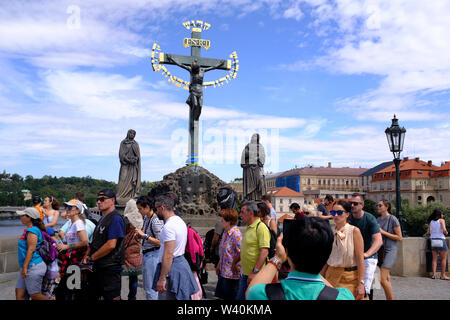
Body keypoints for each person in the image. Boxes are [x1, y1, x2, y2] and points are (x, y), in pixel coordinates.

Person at [246, 217, 354, 300]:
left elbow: (250, 291)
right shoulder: (343, 296)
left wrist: (277, 258)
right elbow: (331, 291)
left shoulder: (264, 294)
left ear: (287, 252)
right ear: (328, 254)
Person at [152, 193, 199, 300]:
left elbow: (168, 255)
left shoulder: (169, 227)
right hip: (181, 264)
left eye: (156, 209)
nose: (156, 212)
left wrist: (162, 278)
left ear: (162, 208)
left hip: (172, 269)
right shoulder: (179, 221)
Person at [82, 189, 126, 300]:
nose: (99, 202)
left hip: (110, 267)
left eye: (102, 199)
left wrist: (92, 257)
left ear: (112, 200)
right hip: (99, 266)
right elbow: (96, 242)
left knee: (111, 297)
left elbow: (111, 244)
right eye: (97, 199)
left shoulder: (115, 218)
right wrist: (87, 256)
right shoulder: (102, 219)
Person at [321, 200, 365, 300]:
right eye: (333, 212)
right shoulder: (330, 232)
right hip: (330, 277)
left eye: (340, 212)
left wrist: (361, 283)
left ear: (347, 214)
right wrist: (320, 276)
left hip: (349, 278)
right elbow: (327, 259)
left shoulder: (354, 231)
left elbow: (360, 259)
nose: (336, 215)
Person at [233, 201, 270, 300]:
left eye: (242, 212)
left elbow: (264, 251)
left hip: (256, 275)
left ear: (251, 213)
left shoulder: (261, 228)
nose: (240, 215)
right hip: (245, 274)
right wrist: (234, 262)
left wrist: (254, 272)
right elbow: (245, 249)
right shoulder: (249, 227)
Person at [348, 194, 382, 299]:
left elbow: (379, 240)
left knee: (364, 289)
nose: (352, 205)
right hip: (353, 257)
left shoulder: (369, 218)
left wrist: (367, 254)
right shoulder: (347, 217)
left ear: (362, 205)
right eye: (351, 203)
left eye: (355, 203)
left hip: (368, 258)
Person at [55, 199, 89, 300]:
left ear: (78, 210)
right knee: (70, 289)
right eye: (66, 207)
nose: (67, 209)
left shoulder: (78, 223)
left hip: (75, 261)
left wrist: (67, 246)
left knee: (70, 289)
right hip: (71, 260)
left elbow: (84, 242)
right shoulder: (72, 223)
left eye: (70, 207)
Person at [15, 207, 49, 300]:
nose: (20, 217)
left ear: (29, 218)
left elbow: (31, 249)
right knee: (19, 294)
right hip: (26, 266)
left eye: (22, 215)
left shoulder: (33, 231)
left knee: (35, 295)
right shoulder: (28, 230)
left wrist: (25, 267)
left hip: (33, 266)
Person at [136, 195, 163, 300]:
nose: (139, 211)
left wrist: (144, 236)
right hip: (148, 254)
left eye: (140, 209)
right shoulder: (147, 218)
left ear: (147, 207)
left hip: (153, 255)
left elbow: (161, 242)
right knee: (148, 286)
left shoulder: (155, 221)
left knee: (150, 287)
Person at [376, 199, 402, 299]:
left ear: (386, 207)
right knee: (386, 278)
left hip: (390, 250)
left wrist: (383, 232)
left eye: (380, 205)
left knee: (382, 279)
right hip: (380, 250)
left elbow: (399, 238)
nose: (378, 207)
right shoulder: (377, 220)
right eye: (377, 205)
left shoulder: (393, 219)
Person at [215, 208, 242, 300]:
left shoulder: (236, 234)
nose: (221, 221)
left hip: (232, 274)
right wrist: (219, 265)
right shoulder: (226, 232)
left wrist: (235, 264)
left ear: (229, 221)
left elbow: (241, 252)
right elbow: (223, 252)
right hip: (224, 271)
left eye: (223, 219)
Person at [121, 199, 143, 300]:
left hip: (126, 252)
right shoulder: (141, 219)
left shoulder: (126, 220)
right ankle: (132, 297)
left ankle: (118, 296)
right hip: (137, 252)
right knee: (133, 278)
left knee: (119, 276)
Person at [116, 129, 141, 204]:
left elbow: (138, 155)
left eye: (134, 134)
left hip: (133, 167)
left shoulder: (135, 144)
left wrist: (135, 159)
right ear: (128, 134)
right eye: (131, 133)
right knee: (122, 179)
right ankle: (120, 196)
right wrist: (127, 159)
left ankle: (131, 195)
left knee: (131, 183)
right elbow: (121, 154)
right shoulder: (123, 143)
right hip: (125, 165)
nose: (132, 135)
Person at [427, 209, 449, 280]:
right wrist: (446, 232)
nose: (443, 215)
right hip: (441, 240)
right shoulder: (441, 220)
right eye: (442, 214)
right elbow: (444, 230)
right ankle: (443, 275)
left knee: (434, 259)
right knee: (443, 258)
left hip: (433, 240)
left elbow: (428, 232)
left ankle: (433, 275)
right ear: (439, 214)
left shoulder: (431, 222)